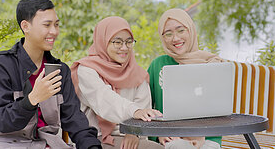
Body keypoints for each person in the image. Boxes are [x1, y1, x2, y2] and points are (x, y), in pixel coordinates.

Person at [0, 0, 102, 149]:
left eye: (56, 25)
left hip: (46, 144)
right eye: (47, 25)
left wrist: (92, 146)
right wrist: (32, 99)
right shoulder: (1, 67)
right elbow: (0, 121)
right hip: (6, 144)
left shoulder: (59, 70)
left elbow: (74, 119)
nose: (54, 31)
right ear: (26, 26)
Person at [70, 16, 164, 149]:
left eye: (129, 42)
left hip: (128, 137)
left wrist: (134, 133)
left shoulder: (138, 74)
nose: (124, 48)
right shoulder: (86, 70)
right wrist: (134, 111)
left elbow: (143, 113)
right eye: (117, 42)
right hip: (93, 139)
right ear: (103, 41)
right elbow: (104, 100)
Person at [148, 8, 223, 149]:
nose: (176, 38)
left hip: (208, 136)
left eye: (181, 30)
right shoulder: (158, 64)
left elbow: (219, 107)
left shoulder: (211, 63)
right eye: (168, 34)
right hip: (171, 136)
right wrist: (159, 132)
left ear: (191, 30)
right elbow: (146, 107)